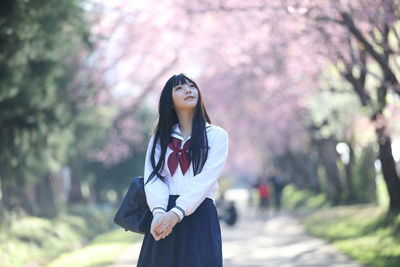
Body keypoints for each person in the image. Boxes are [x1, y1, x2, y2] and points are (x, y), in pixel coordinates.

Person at [137, 73, 229, 267]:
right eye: (179, 88)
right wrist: (160, 213)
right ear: (169, 102)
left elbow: (206, 180)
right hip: (164, 214)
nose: (188, 90)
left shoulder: (216, 136)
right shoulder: (159, 138)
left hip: (201, 213)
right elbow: (154, 178)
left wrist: (176, 213)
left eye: (191, 86)